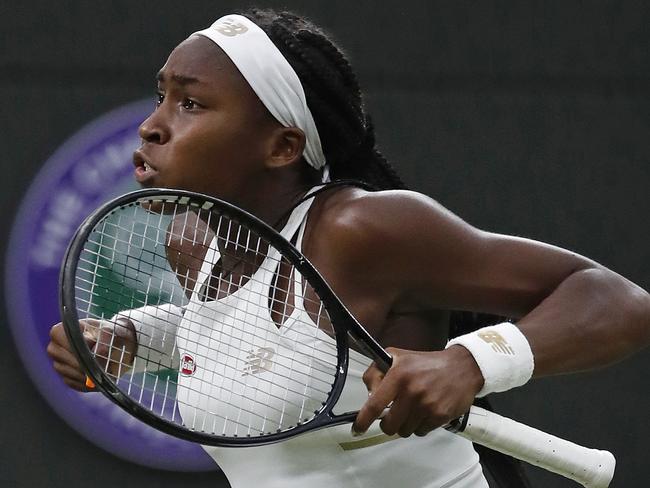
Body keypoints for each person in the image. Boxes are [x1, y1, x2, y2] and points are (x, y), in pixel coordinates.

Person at [47, 8, 650, 488]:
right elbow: (244, 337)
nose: (153, 125)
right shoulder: (194, 244)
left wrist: (469, 364)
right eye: (161, 97)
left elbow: (619, 301)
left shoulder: (362, 230)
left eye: (191, 103)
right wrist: (130, 340)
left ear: (283, 147)